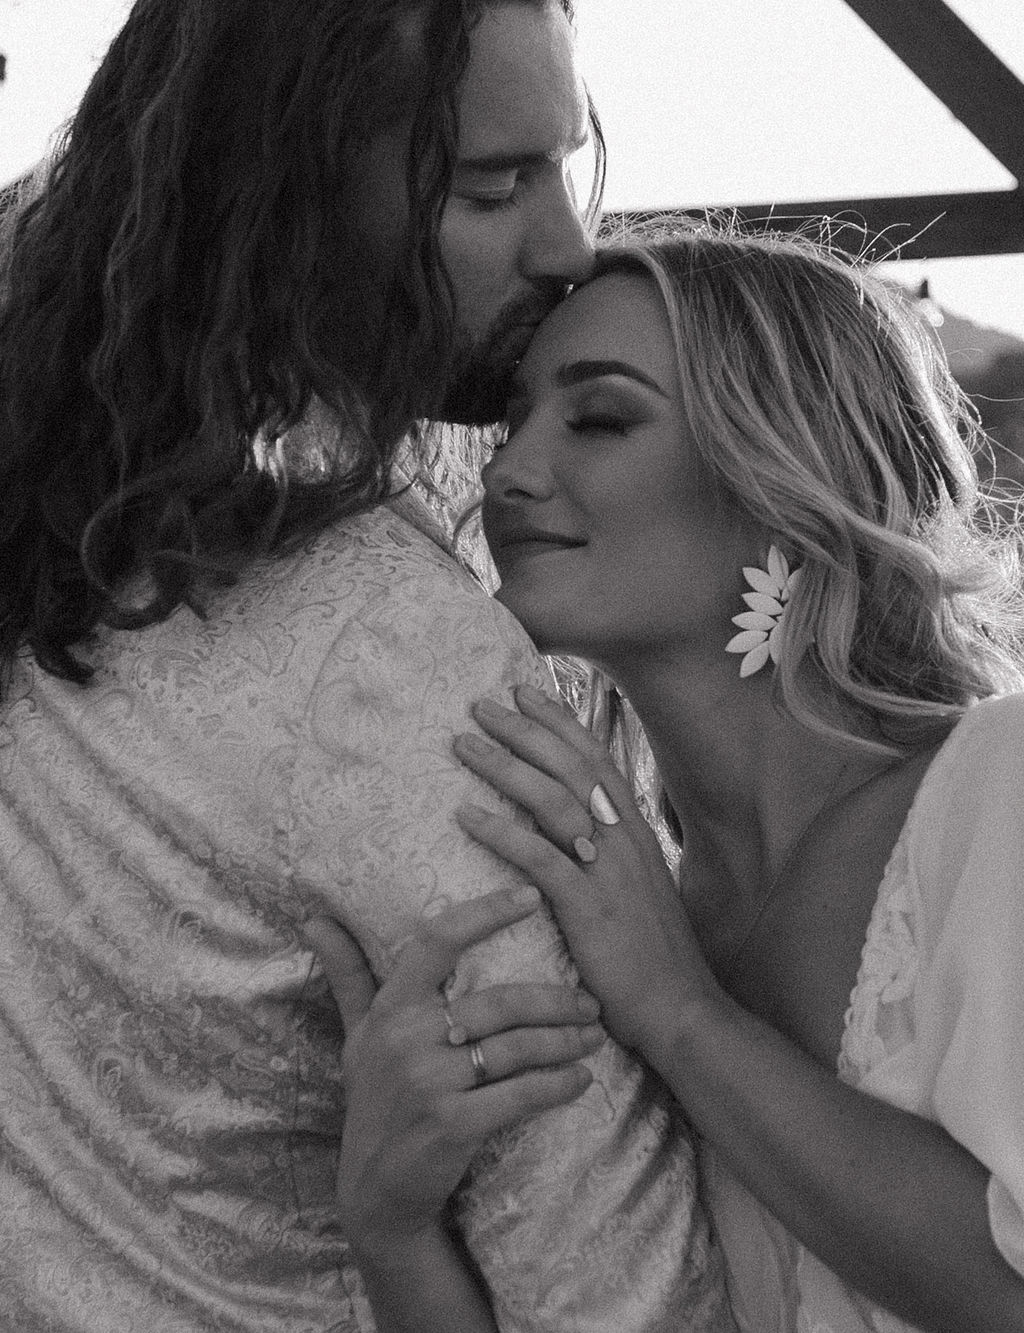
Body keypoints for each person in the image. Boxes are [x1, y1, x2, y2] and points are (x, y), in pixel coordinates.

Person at [0, 4, 738, 1331]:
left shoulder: (57, 553)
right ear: (283, 203)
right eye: (493, 186)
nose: (568, 246)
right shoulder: (392, 653)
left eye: (562, 168)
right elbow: (622, 1291)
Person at [313, 224, 1024, 1332]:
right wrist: (392, 1223)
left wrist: (682, 1014)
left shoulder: (999, 790)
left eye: (600, 417)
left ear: (781, 471)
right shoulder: (618, 906)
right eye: (509, 424)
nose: (505, 471)